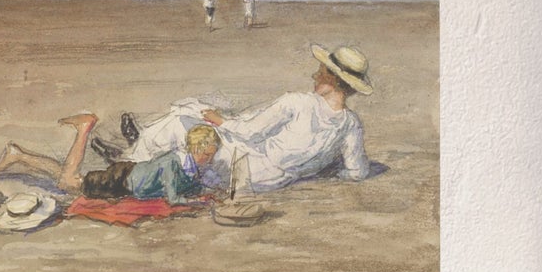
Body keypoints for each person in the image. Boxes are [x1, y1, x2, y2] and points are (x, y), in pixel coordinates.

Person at [124, 44, 373, 192]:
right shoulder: (350, 123)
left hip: (242, 166)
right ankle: (143, 144)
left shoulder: (298, 102)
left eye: (320, 73)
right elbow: (357, 172)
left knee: (181, 120)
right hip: (270, 181)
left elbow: (251, 132)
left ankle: (131, 162)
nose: (314, 76)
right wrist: (320, 168)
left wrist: (219, 120)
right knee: (201, 122)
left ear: (333, 80)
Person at [0, 114, 221, 205]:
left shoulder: (189, 164)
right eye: (207, 154)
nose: (209, 159)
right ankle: (84, 129)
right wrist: (200, 201)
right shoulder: (174, 163)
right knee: (68, 182)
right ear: (195, 148)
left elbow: (188, 184)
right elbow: (173, 198)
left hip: (127, 175)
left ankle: (18, 154)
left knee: (68, 177)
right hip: (120, 181)